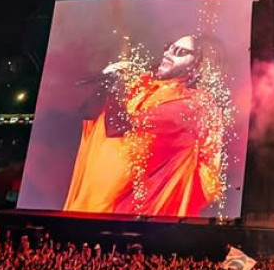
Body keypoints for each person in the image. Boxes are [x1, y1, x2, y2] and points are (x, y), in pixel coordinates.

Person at [63, 33, 229, 217]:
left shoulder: (196, 105)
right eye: (168, 47)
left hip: (145, 215)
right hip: (113, 207)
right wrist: (108, 81)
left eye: (179, 51)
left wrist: (117, 83)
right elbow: (89, 114)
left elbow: (117, 128)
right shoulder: (149, 87)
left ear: (198, 65)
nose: (167, 54)